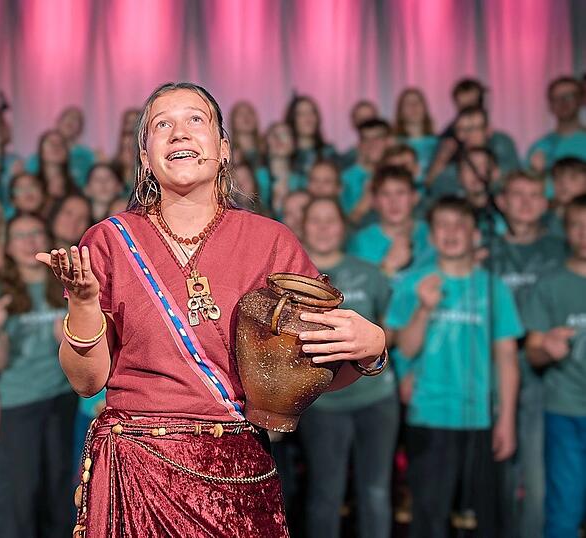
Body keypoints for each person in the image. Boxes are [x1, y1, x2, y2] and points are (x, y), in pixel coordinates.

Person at [36, 82, 386, 536]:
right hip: (136, 469)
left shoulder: (271, 242)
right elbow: (87, 383)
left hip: (237, 472)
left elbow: (312, 372)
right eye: (163, 125)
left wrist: (371, 349)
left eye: (195, 120)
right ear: (145, 157)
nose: (179, 133)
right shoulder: (109, 241)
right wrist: (83, 305)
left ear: (223, 148)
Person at [387, 196, 522, 537]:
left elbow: (506, 356)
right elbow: (406, 346)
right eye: (442, 226)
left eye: (459, 224)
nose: (451, 232)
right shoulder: (414, 284)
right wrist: (424, 309)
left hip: (480, 416)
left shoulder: (494, 287)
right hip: (429, 414)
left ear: (475, 235)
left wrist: (506, 418)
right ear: (431, 238)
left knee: (483, 520)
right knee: (429, 517)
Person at [298, 196, 397, 538]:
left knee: (376, 492)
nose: (324, 228)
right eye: (315, 220)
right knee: (326, 494)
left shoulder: (370, 274)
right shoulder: (295, 279)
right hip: (323, 404)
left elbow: (389, 332)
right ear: (302, 227)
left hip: (377, 399)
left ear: (343, 227)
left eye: (331, 220)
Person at [0, 213, 76, 538]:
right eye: (20, 236)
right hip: (19, 403)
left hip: (62, 398)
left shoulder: (65, 283)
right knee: (20, 498)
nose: (29, 242)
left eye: (36, 233)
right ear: (8, 247)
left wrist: (70, 337)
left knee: (60, 492)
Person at [490, 171, 567, 538]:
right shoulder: (487, 251)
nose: (524, 202)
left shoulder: (560, 249)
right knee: (499, 474)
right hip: (494, 373)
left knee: (536, 477)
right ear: (501, 201)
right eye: (516, 194)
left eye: (534, 195)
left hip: (544, 375)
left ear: (546, 203)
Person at [524, 194, 586, 538]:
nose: (584, 233)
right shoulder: (550, 284)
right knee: (563, 512)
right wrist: (548, 349)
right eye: (577, 225)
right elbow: (533, 352)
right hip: (566, 410)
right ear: (566, 231)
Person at [348, 165, 434, 277]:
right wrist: (386, 267)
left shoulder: (432, 235)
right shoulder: (359, 242)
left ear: (414, 197)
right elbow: (356, 290)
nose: (393, 202)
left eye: (400, 193)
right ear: (374, 201)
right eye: (385, 194)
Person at [527, 76, 586, 174]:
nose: (563, 102)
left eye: (569, 96)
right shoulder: (539, 146)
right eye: (556, 98)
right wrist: (536, 172)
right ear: (550, 105)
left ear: (581, 100)